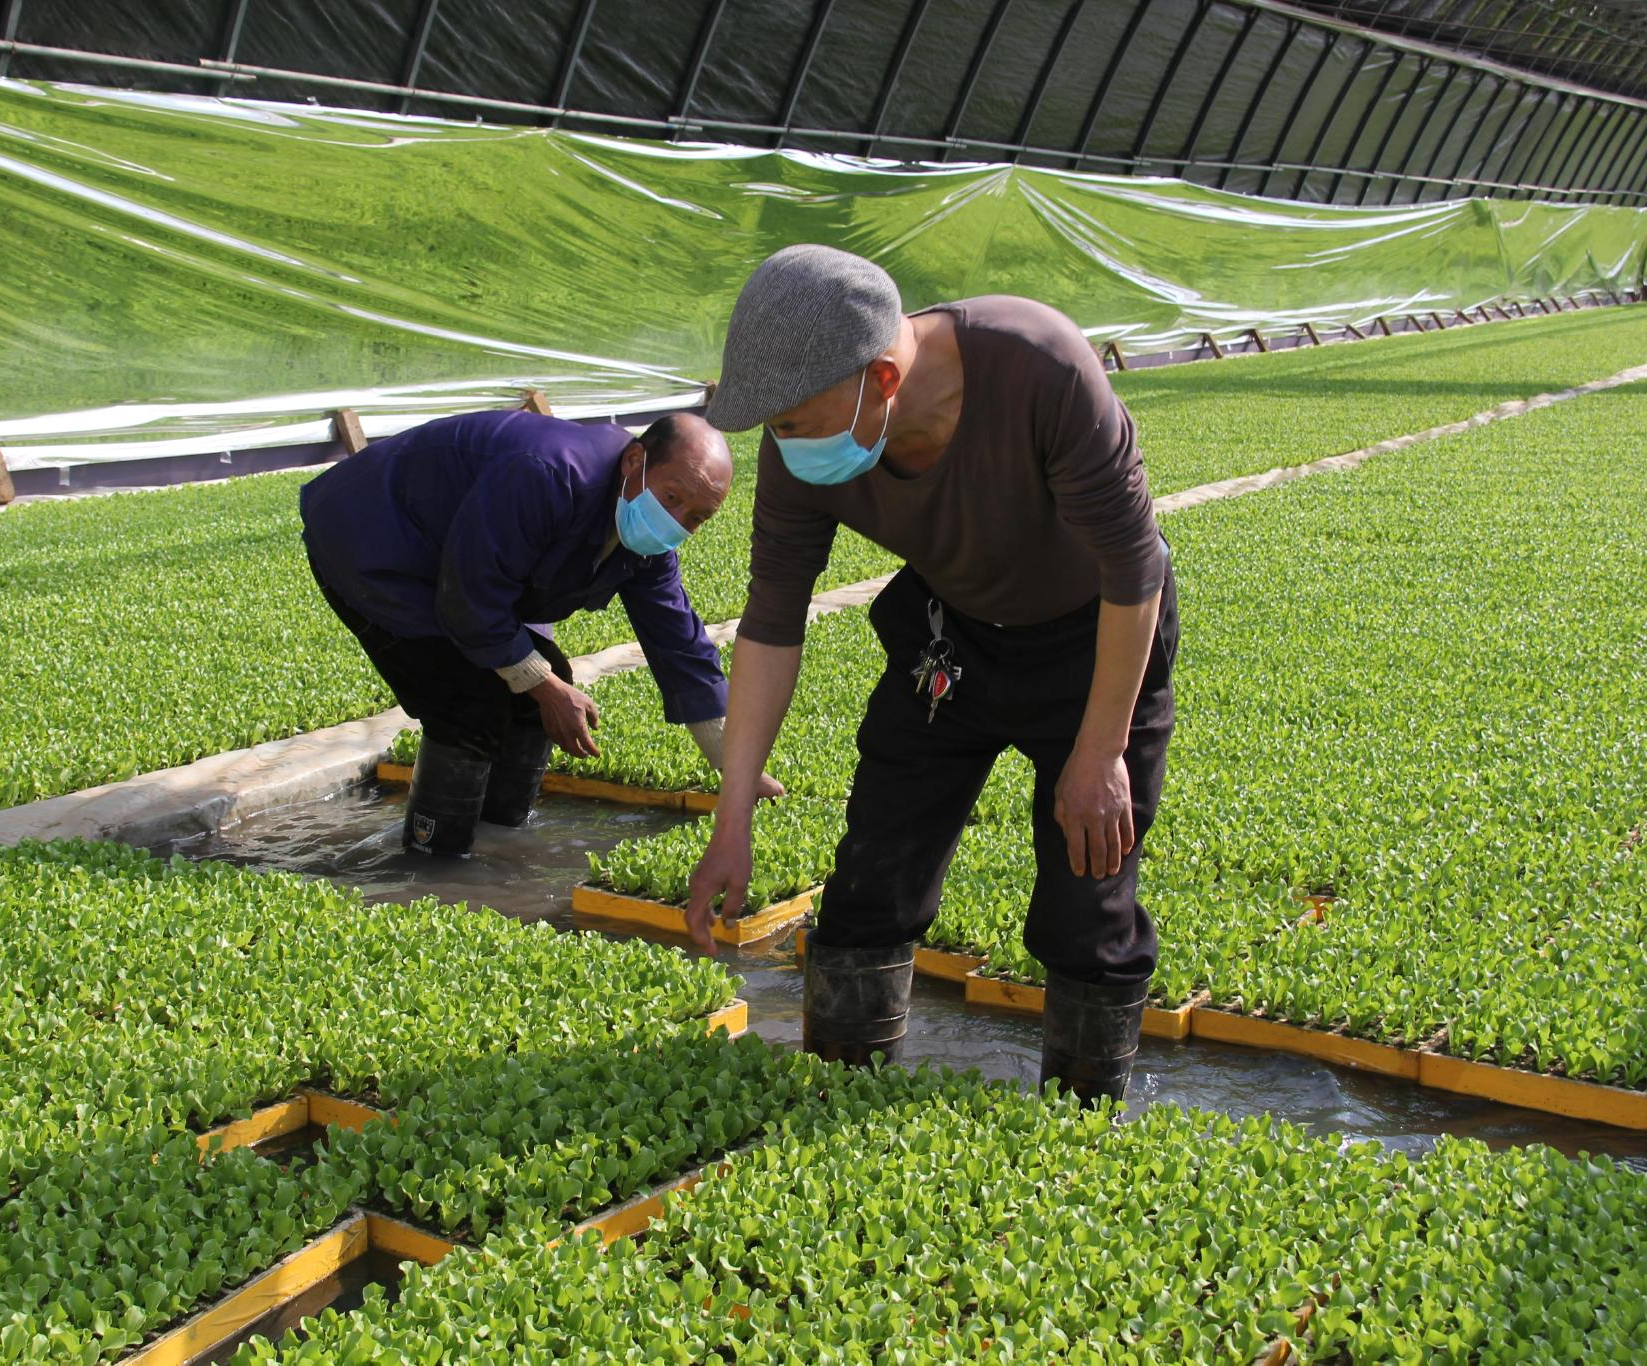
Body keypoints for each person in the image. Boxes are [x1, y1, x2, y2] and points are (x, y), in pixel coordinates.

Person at [686, 245, 1177, 1105]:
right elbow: (772, 622)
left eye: (793, 420)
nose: (782, 441)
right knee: (874, 873)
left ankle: (1085, 1122)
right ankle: (836, 1092)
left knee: (1089, 900)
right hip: (950, 638)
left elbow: (1134, 569)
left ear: (880, 378)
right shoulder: (802, 449)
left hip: (1095, 640)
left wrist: (1098, 755)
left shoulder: (1037, 365)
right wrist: (732, 820)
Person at [301, 408, 766, 856]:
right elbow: (470, 601)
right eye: (672, 498)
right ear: (634, 461)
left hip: (459, 562)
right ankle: (433, 857)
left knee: (540, 686)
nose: (677, 521)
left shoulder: (646, 539)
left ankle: (499, 836)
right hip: (374, 541)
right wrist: (545, 688)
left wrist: (736, 768)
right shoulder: (546, 476)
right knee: (466, 703)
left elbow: (678, 643)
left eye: (696, 517)